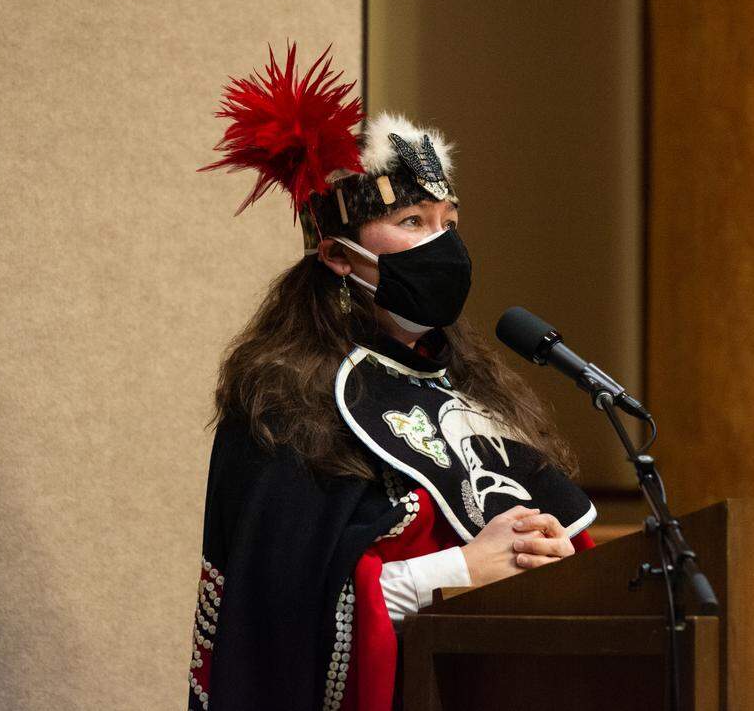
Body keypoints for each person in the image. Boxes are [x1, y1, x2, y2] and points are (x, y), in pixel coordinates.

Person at [187, 44, 596, 711]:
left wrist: (554, 552)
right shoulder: (287, 407)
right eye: (412, 222)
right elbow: (282, 620)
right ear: (338, 257)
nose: (445, 245)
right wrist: (459, 570)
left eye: (449, 223)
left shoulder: (476, 395)